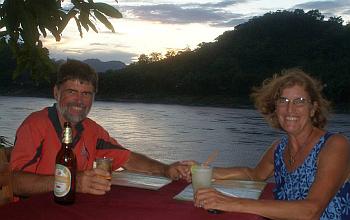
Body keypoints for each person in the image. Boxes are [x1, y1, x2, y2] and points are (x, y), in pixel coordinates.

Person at [10, 59, 190, 197]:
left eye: (86, 94)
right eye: (72, 92)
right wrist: (73, 182)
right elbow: (15, 182)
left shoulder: (92, 130)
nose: (79, 101)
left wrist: (165, 169)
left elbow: (128, 159)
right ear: (56, 92)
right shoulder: (35, 125)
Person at [192, 68, 350, 219]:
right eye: (283, 101)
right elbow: (254, 175)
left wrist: (231, 203)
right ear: (276, 108)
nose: (290, 109)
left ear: (313, 108)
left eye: (299, 101)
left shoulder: (335, 145)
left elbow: (311, 211)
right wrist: (201, 170)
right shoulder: (279, 148)